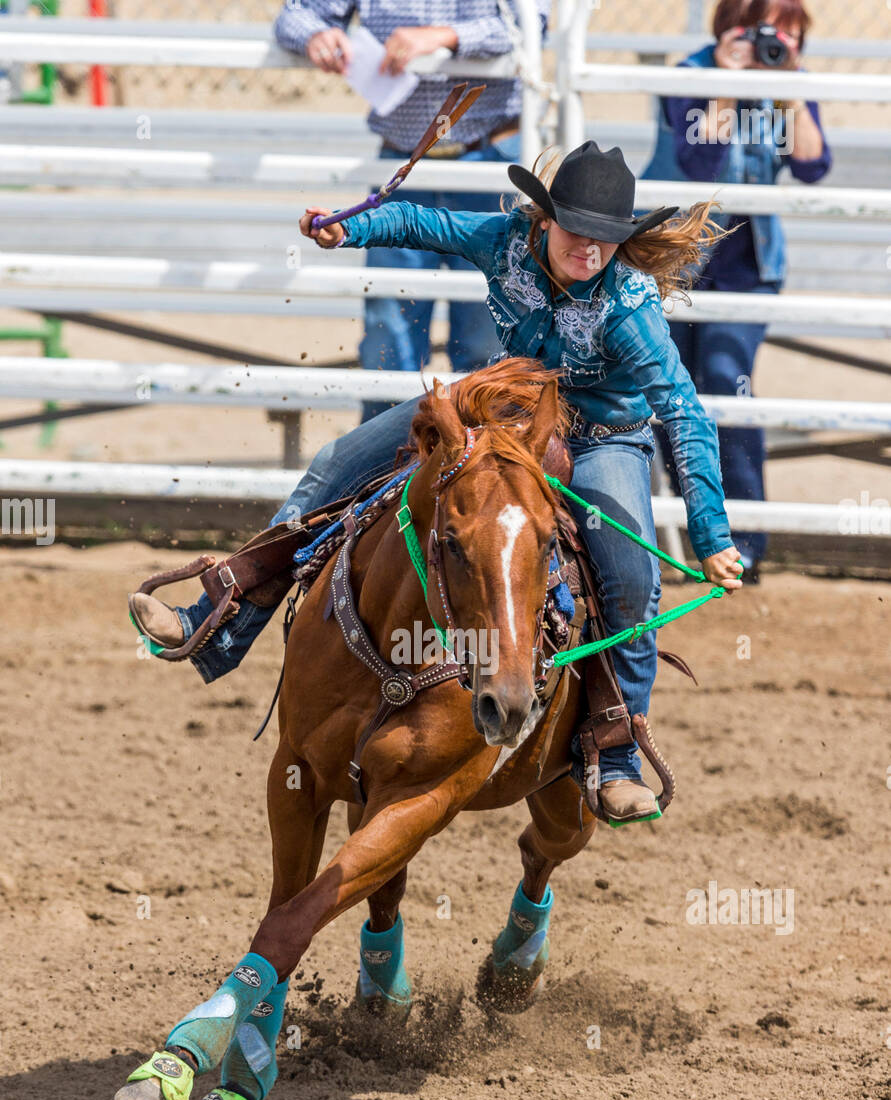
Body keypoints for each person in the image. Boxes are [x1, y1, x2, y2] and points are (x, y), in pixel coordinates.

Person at [130, 141, 745, 826]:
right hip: (498, 407)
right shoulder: (506, 241)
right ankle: (224, 618)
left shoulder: (629, 308)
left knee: (628, 572)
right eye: (576, 230)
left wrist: (710, 533)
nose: (589, 249)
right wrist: (349, 228)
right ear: (543, 220)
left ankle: (616, 748)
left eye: (606, 237)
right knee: (339, 462)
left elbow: (682, 412)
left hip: (600, 439)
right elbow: (424, 224)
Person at [273, 0, 550, 419]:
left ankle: (489, 470)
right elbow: (296, 13)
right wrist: (316, 35)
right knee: (390, 335)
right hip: (404, 166)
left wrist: (444, 37)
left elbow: (532, 25)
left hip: (489, 163)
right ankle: (386, 471)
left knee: (489, 333)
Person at [641, 0, 831, 583]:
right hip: (679, 259)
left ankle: (743, 539)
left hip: (749, 262)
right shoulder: (688, 75)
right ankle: (699, 530)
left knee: (727, 380)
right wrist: (725, 82)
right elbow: (699, 161)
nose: (779, 40)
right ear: (731, 27)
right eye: (766, 29)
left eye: (789, 31)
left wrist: (789, 88)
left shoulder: (788, 82)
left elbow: (813, 166)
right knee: (668, 392)